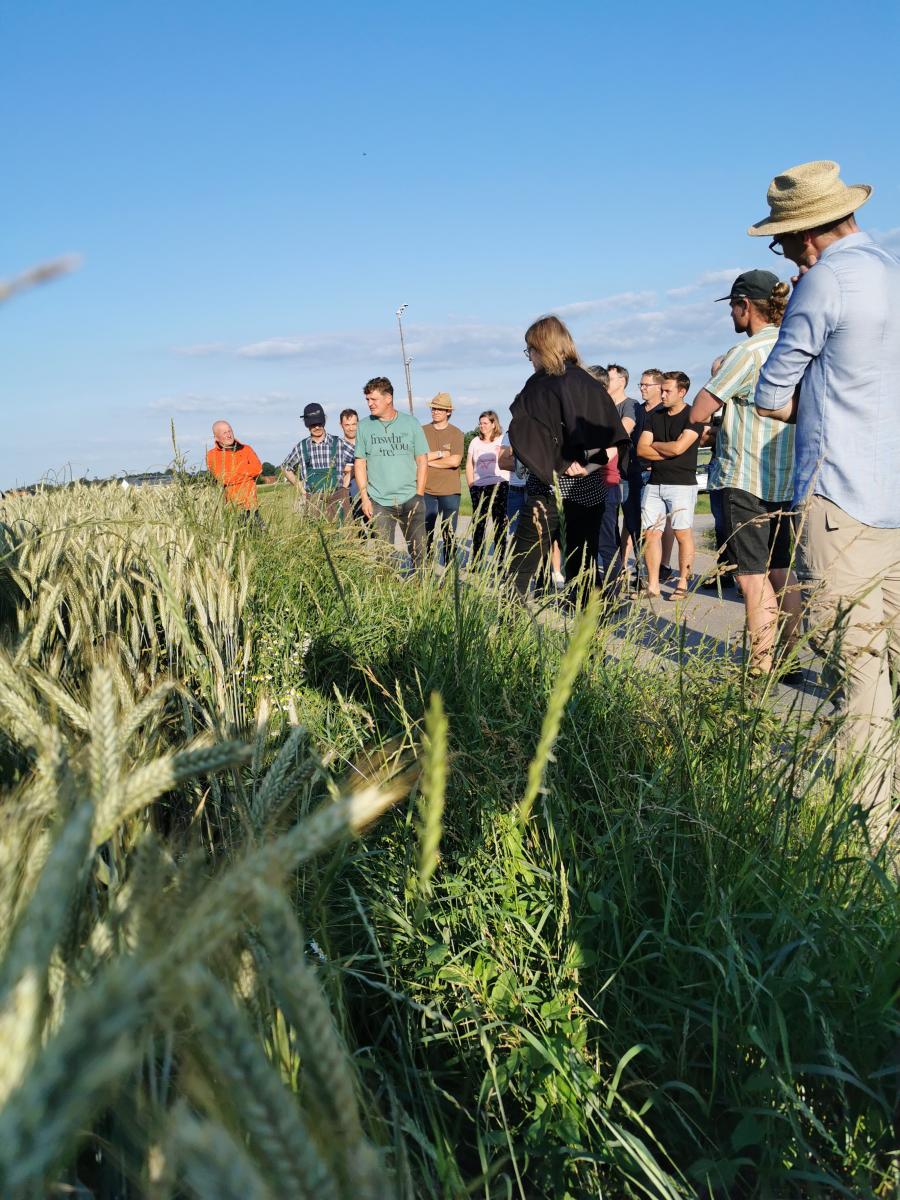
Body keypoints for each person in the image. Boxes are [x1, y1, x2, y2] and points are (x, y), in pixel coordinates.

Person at [751, 159, 900, 844]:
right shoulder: (893, 270)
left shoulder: (823, 285)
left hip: (839, 500)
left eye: (782, 240)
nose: (782, 252)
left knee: (857, 673)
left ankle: (870, 846)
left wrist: (823, 406)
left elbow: (770, 393)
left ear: (804, 236)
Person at [688, 271, 801, 676]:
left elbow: (700, 409)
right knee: (783, 572)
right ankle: (788, 659)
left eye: (733, 307)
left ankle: (759, 667)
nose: (732, 315)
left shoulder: (747, 353)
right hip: (785, 480)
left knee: (752, 580)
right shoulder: (794, 348)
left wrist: (712, 410)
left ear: (745, 305)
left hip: (744, 479)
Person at [508, 315, 629, 598]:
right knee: (583, 566)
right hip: (586, 487)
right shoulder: (588, 384)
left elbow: (524, 436)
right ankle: (588, 634)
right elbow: (613, 439)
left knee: (521, 567)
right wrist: (587, 467)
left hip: (546, 488)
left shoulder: (536, 387)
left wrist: (558, 466)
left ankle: (509, 627)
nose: (529, 358)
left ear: (542, 348)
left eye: (530, 350)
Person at [637, 371, 705, 600]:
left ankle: (683, 583)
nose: (662, 395)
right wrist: (667, 448)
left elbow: (679, 448)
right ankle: (653, 585)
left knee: (682, 533)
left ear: (682, 392)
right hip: (654, 484)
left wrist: (657, 446)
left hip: (682, 484)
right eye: (662, 390)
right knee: (650, 534)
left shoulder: (693, 417)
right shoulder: (654, 416)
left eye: (667, 391)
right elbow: (641, 449)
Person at [354, 377, 429, 568]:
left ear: (388, 398)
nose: (369, 404)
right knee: (384, 557)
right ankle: (389, 594)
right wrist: (365, 498)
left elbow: (422, 460)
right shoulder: (364, 426)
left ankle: (423, 592)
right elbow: (360, 463)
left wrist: (419, 494)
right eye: (367, 400)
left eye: (374, 399)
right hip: (379, 501)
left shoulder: (411, 423)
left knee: (420, 553)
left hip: (410, 497)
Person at [595, 364, 638, 587]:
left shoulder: (628, 405)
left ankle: (625, 576)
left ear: (621, 381)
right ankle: (610, 578)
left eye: (608, 378)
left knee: (628, 524)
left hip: (620, 473)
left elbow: (625, 428)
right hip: (602, 473)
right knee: (606, 531)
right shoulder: (601, 406)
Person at [282, 403, 354, 519]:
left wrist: (347, 481)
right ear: (307, 425)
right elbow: (285, 467)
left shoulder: (339, 443)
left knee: (344, 535)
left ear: (324, 421)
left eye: (319, 423)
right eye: (313, 424)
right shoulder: (301, 447)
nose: (316, 427)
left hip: (338, 499)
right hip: (313, 502)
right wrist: (302, 489)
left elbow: (361, 459)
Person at [422, 393, 464, 563]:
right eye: (433, 408)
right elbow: (417, 456)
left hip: (449, 490)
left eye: (439, 409)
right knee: (426, 530)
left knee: (449, 531)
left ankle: (449, 567)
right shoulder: (423, 431)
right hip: (426, 488)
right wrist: (440, 454)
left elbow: (455, 461)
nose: (435, 411)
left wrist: (429, 462)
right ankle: (425, 565)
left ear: (448, 411)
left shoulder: (456, 433)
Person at [466, 411, 510, 563]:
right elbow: (469, 465)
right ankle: (476, 561)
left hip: (499, 485)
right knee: (479, 525)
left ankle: (500, 561)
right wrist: (471, 485)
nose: (482, 426)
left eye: (485, 423)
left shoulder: (502, 440)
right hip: (479, 486)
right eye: (480, 423)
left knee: (500, 524)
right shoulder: (474, 442)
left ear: (493, 424)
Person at [206, 420, 263, 522]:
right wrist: (247, 472)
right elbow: (223, 478)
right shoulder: (212, 455)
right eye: (224, 433)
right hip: (232, 510)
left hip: (253, 507)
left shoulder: (246, 449)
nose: (229, 435)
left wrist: (234, 471)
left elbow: (258, 469)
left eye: (230, 431)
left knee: (262, 536)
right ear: (216, 437)